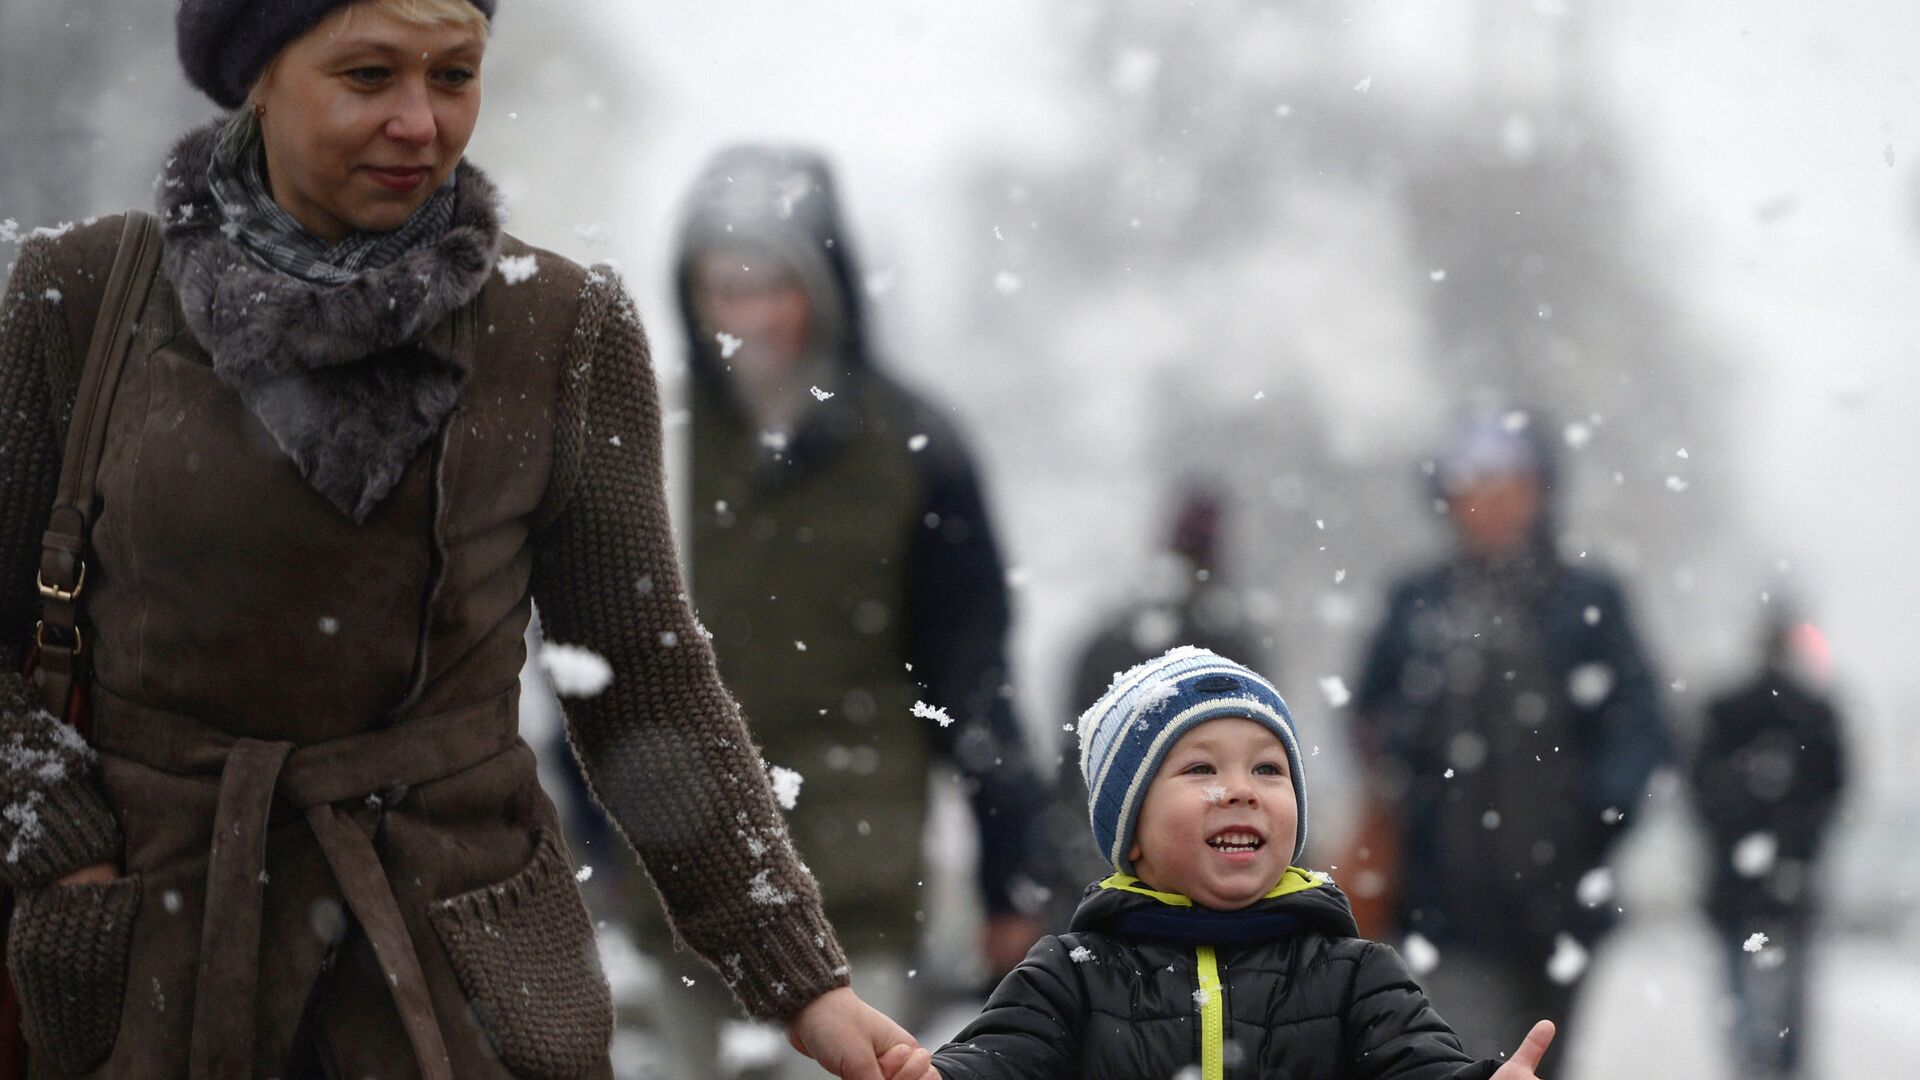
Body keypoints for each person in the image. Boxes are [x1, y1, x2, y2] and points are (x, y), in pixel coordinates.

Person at [0, 2, 929, 1077]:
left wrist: (800, 981)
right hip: (148, 975)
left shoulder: (559, 332)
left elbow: (644, 682)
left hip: (458, 981)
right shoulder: (80, 302)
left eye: (453, 75)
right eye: (368, 75)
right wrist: (61, 852)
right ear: (256, 75)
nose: (419, 122)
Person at [613, 142, 1046, 1077]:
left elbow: (972, 675)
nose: (747, 316)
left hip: (855, 884)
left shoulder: (915, 448)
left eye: (771, 284)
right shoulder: (651, 437)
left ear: (825, 283)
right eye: (720, 288)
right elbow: (590, 658)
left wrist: (1012, 872)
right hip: (681, 889)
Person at [920, 647, 1557, 1079]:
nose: (1241, 789)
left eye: (1268, 769)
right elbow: (995, 1060)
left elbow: (1421, 1065)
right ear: (1130, 832)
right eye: (1200, 768)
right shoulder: (1071, 975)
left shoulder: (1354, 973)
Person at [1351, 412, 1669, 1071]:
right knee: (1463, 1058)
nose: (1493, 505)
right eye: (1476, 487)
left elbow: (1644, 725)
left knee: (1541, 1059)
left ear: (1541, 492)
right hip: (1443, 904)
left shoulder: (1589, 598)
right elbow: (1366, 715)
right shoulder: (1417, 601)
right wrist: (1403, 786)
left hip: (1560, 903)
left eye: (1510, 485)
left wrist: (1600, 816)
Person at [1035, 485, 1268, 926]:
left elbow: (1074, 760)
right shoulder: (1228, 639)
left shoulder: (1117, 633)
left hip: (1101, 871)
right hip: (1197, 885)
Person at [1689, 610, 1847, 1080]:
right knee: (1787, 996)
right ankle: (1777, 1063)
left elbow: (1702, 785)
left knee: (1746, 996)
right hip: (1788, 876)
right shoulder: (1814, 713)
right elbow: (1834, 787)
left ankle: (1755, 1062)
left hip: (1741, 878)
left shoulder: (1728, 709)